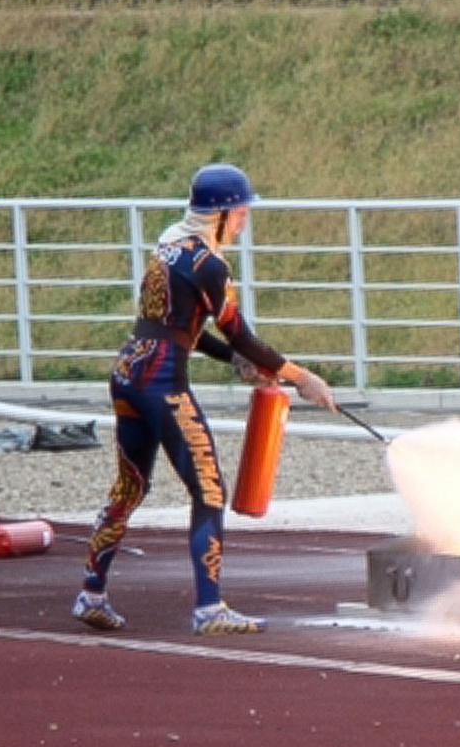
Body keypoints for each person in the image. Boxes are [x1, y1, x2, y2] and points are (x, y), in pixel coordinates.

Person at [72, 164, 337, 636]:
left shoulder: (170, 242)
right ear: (219, 214)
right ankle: (210, 607)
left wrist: (233, 361)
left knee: (129, 487)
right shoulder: (210, 265)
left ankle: (91, 592)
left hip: (128, 371)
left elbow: (176, 325)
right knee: (209, 491)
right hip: (162, 385)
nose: (244, 221)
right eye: (240, 212)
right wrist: (302, 377)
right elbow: (241, 334)